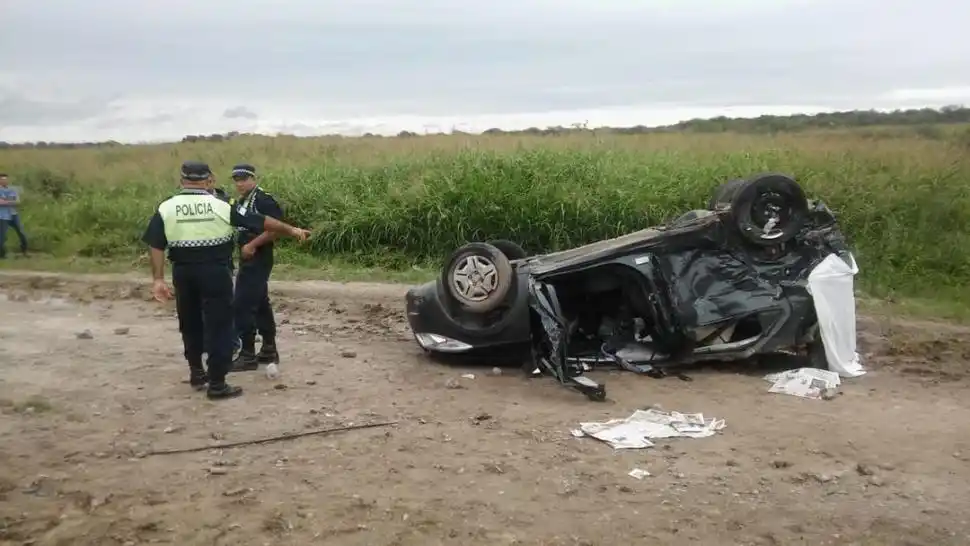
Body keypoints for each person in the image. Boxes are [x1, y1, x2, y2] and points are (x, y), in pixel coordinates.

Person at [141, 160, 310, 400]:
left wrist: (158, 279)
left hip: (183, 272)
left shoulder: (167, 207)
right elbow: (260, 221)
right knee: (219, 324)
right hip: (215, 271)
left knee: (190, 322)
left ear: (181, 181)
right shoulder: (221, 205)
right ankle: (217, 384)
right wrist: (291, 230)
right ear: (208, 180)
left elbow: (155, 243)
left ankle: (197, 373)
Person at [229, 164, 284, 372]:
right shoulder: (242, 200)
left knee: (242, 303)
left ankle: (248, 354)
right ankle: (269, 349)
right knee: (260, 302)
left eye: (244, 179)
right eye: (236, 180)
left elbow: (275, 229)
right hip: (248, 255)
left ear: (254, 178)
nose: (240, 183)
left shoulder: (263, 199)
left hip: (258, 255)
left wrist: (252, 245)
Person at [0, 173, 28, 259]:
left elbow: (17, 201)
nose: (5, 181)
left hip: (13, 214)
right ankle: (2, 255)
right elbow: (1, 203)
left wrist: (5, 201)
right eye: (3, 179)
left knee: (22, 233)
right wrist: (10, 201)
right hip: (2, 216)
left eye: (6, 179)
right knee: (2, 236)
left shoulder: (12, 189)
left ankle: (24, 251)